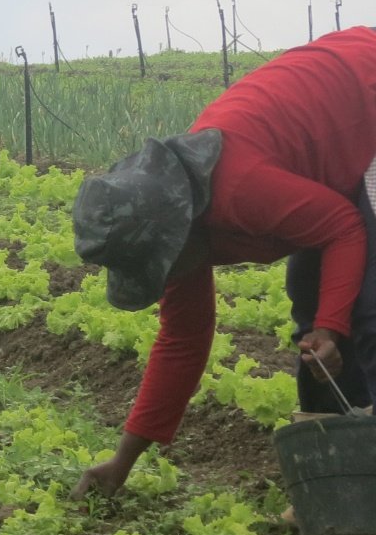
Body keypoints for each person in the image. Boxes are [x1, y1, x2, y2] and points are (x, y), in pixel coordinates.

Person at [71, 25, 376, 499]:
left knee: (369, 311)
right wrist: (121, 462)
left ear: (179, 229)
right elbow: (183, 342)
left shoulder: (237, 187)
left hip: (367, 94)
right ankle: (339, 488)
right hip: (330, 137)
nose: (167, 273)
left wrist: (333, 325)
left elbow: (343, 228)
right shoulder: (175, 226)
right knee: (312, 318)